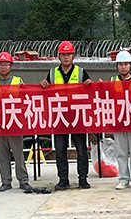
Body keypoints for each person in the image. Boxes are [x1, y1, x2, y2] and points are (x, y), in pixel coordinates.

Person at [40, 40, 93, 191]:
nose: (66, 57)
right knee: (60, 150)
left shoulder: (81, 72)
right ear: (59, 56)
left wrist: (90, 84)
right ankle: (63, 179)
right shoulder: (52, 73)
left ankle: (83, 179)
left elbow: (90, 90)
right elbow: (45, 91)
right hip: (59, 116)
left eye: (68, 54)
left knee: (81, 150)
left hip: (77, 116)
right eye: (63, 54)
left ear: (73, 56)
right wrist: (43, 85)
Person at [0, 52, 33, 193]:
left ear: (11, 66)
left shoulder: (18, 81)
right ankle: (5, 181)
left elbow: (26, 99)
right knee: (1, 154)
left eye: (6, 64)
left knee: (18, 153)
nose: (3, 67)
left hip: (15, 122)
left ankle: (23, 180)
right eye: (1, 64)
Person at [110, 50, 131, 190]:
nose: (123, 67)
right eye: (120, 64)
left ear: (130, 65)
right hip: (119, 120)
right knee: (121, 152)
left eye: (126, 64)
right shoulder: (112, 81)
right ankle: (123, 178)